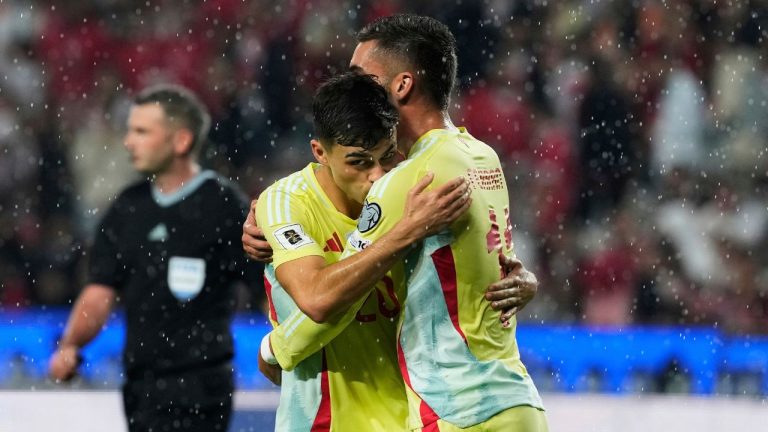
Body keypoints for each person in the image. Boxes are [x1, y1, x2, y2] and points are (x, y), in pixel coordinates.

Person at [252, 14, 548, 431]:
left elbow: (324, 301)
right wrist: (526, 280)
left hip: (455, 410)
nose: (351, 85)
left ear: (402, 85)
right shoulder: (482, 157)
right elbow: (493, 263)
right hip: (515, 400)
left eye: (362, 76)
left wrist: (271, 349)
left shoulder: (407, 183)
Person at [251, 71, 471, 430]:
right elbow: (317, 298)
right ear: (320, 152)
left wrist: (521, 278)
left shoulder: (410, 192)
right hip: (321, 423)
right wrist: (405, 233)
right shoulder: (284, 202)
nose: (376, 176)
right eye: (359, 162)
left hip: (409, 420)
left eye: (387, 157)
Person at [48, 84, 257, 432]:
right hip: (140, 385)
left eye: (141, 131)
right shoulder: (127, 207)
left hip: (202, 384)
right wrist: (71, 345)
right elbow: (100, 290)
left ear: (181, 141)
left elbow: (264, 286)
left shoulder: (223, 205)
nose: (128, 141)